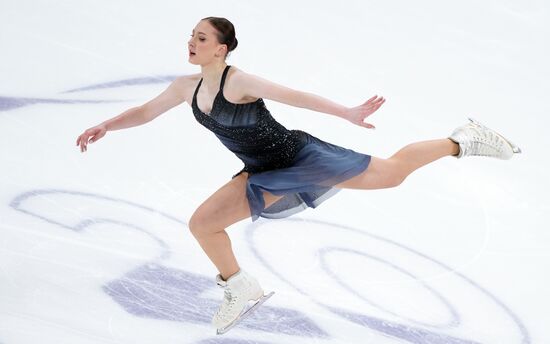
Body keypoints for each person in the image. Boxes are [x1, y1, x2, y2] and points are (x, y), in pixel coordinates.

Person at [75, 16, 521, 334]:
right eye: (191, 36)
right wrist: (105, 126)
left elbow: (296, 97)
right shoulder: (184, 88)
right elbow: (145, 111)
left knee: (392, 175)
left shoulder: (240, 81)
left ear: (222, 49)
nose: (191, 43)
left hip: (300, 157)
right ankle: (240, 287)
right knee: (203, 224)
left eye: (201, 38)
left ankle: (463, 140)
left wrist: (346, 112)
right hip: (262, 170)